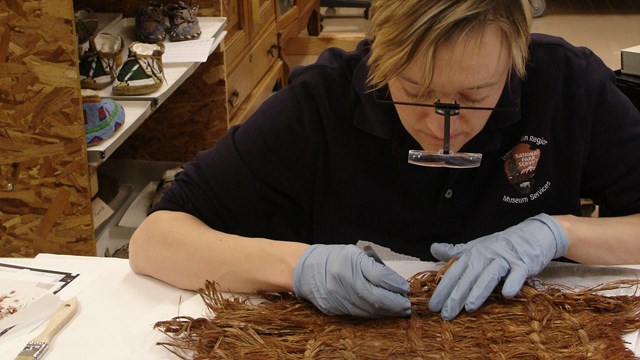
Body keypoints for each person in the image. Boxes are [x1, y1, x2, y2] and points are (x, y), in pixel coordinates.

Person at [129, 0, 640, 320]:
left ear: (515, 58)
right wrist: (298, 267)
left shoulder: (567, 82)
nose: (445, 129)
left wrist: (559, 232)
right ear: (382, 59)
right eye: (417, 91)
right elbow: (155, 240)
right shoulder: (321, 102)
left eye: (477, 94)